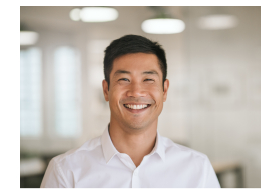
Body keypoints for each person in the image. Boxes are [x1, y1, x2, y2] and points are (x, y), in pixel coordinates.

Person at [40, 35, 220, 188]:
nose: (136, 92)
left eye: (148, 79)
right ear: (106, 90)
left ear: (164, 90)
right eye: (124, 79)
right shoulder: (65, 170)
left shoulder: (198, 168)